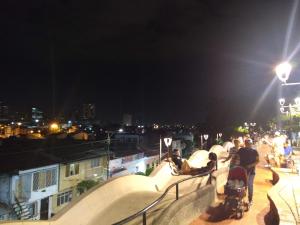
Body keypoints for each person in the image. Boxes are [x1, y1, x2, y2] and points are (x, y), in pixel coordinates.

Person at [237, 139, 259, 206]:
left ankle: (250, 200)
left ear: (251, 144)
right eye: (247, 143)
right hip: (242, 171)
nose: (248, 144)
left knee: (249, 185)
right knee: (241, 185)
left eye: (249, 143)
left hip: (251, 172)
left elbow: (257, 161)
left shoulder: (255, 152)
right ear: (245, 143)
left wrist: (250, 165)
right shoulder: (241, 150)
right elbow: (236, 157)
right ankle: (240, 199)